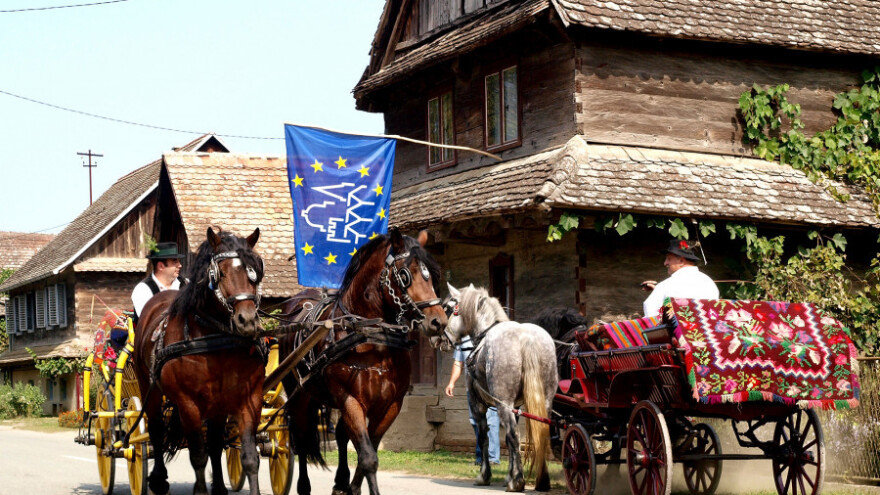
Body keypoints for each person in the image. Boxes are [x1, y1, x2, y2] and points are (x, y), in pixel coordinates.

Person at [445, 336, 500, 465]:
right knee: (475, 422)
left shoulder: (490, 337)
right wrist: (451, 383)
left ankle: (492, 458)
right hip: (472, 390)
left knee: (491, 421)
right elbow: (458, 363)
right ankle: (481, 457)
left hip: (488, 390)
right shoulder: (462, 340)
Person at [642, 239, 719, 317]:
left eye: (669, 259)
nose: (665, 263)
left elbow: (651, 317)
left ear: (681, 261)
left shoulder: (665, 286)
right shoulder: (709, 283)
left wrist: (659, 290)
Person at [131, 241, 186, 319]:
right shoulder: (143, 290)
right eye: (174, 261)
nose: (180, 265)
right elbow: (149, 322)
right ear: (161, 266)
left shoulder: (186, 284)